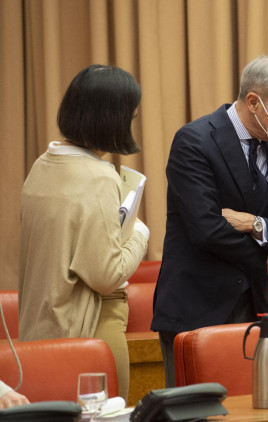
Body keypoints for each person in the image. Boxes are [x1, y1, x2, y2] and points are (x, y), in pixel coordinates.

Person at [152, 55, 268, 387]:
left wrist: (257, 225)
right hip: (195, 308)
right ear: (254, 102)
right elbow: (207, 231)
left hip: (253, 309)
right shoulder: (195, 141)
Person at [18, 64, 149, 400]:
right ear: (111, 119)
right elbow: (107, 274)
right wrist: (139, 234)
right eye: (129, 116)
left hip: (40, 330)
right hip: (91, 327)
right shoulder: (98, 176)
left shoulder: (42, 165)